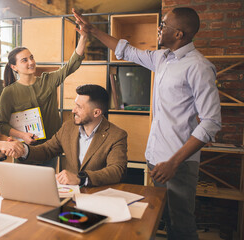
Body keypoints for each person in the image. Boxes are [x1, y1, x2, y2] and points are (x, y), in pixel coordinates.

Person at [73, 7, 221, 239]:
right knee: (162, 220)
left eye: (164, 25)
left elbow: (211, 123)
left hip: (178, 164)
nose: (159, 29)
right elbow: (126, 50)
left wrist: (173, 163)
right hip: (156, 159)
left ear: (179, 34)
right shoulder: (162, 59)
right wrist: (92, 31)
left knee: (181, 225)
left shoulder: (199, 67)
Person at [0, 9, 88, 169]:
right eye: (24, 60)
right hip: (24, 149)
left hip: (51, 148)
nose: (31, 62)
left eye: (31, 57)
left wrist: (84, 37)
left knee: (46, 189)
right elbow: (0, 124)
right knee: (23, 191)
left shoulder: (48, 80)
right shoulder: (9, 92)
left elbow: (72, 65)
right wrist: (22, 135)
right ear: (14, 67)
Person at [18, 84, 127, 187]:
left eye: (79, 107)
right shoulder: (68, 127)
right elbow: (47, 150)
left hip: (97, 196)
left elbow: (116, 170)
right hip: (69, 194)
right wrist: (23, 150)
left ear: (96, 113)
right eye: (75, 104)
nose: (73, 110)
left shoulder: (117, 135)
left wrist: (82, 179)